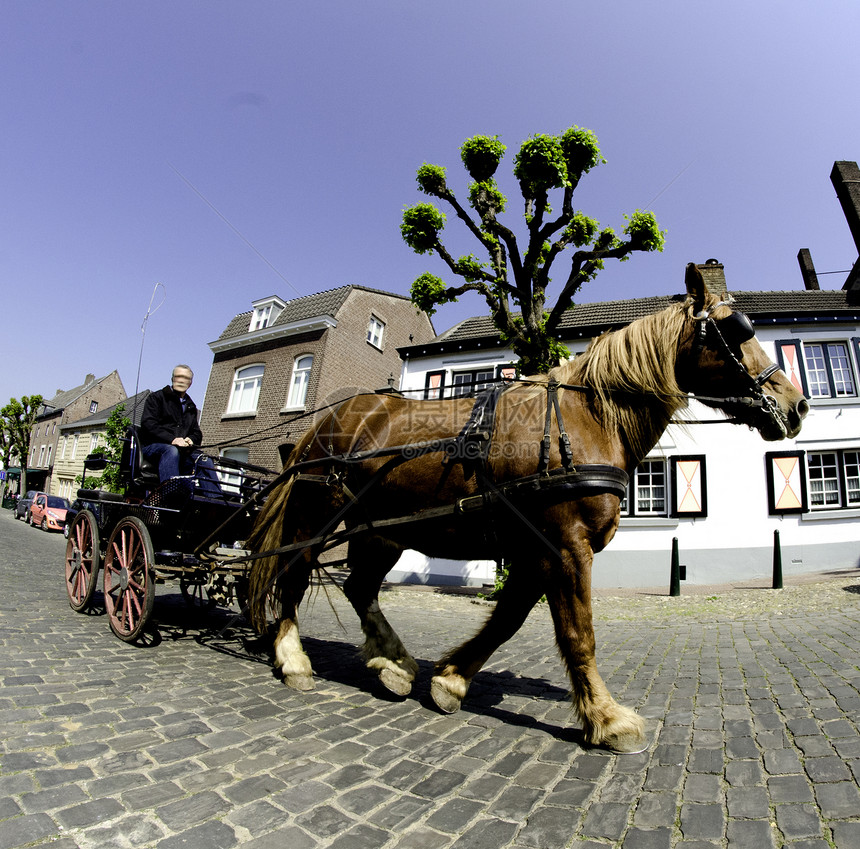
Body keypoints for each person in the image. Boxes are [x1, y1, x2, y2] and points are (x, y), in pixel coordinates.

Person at [140, 364, 222, 496]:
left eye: (185, 378)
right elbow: (148, 424)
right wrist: (172, 440)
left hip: (180, 452)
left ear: (190, 382)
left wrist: (191, 439)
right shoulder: (157, 398)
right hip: (153, 448)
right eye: (178, 376)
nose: (181, 380)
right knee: (171, 450)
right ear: (172, 378)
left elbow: (196, 433)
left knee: (204, 458)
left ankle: (215, 501)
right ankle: (172, 494)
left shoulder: (190, 406)